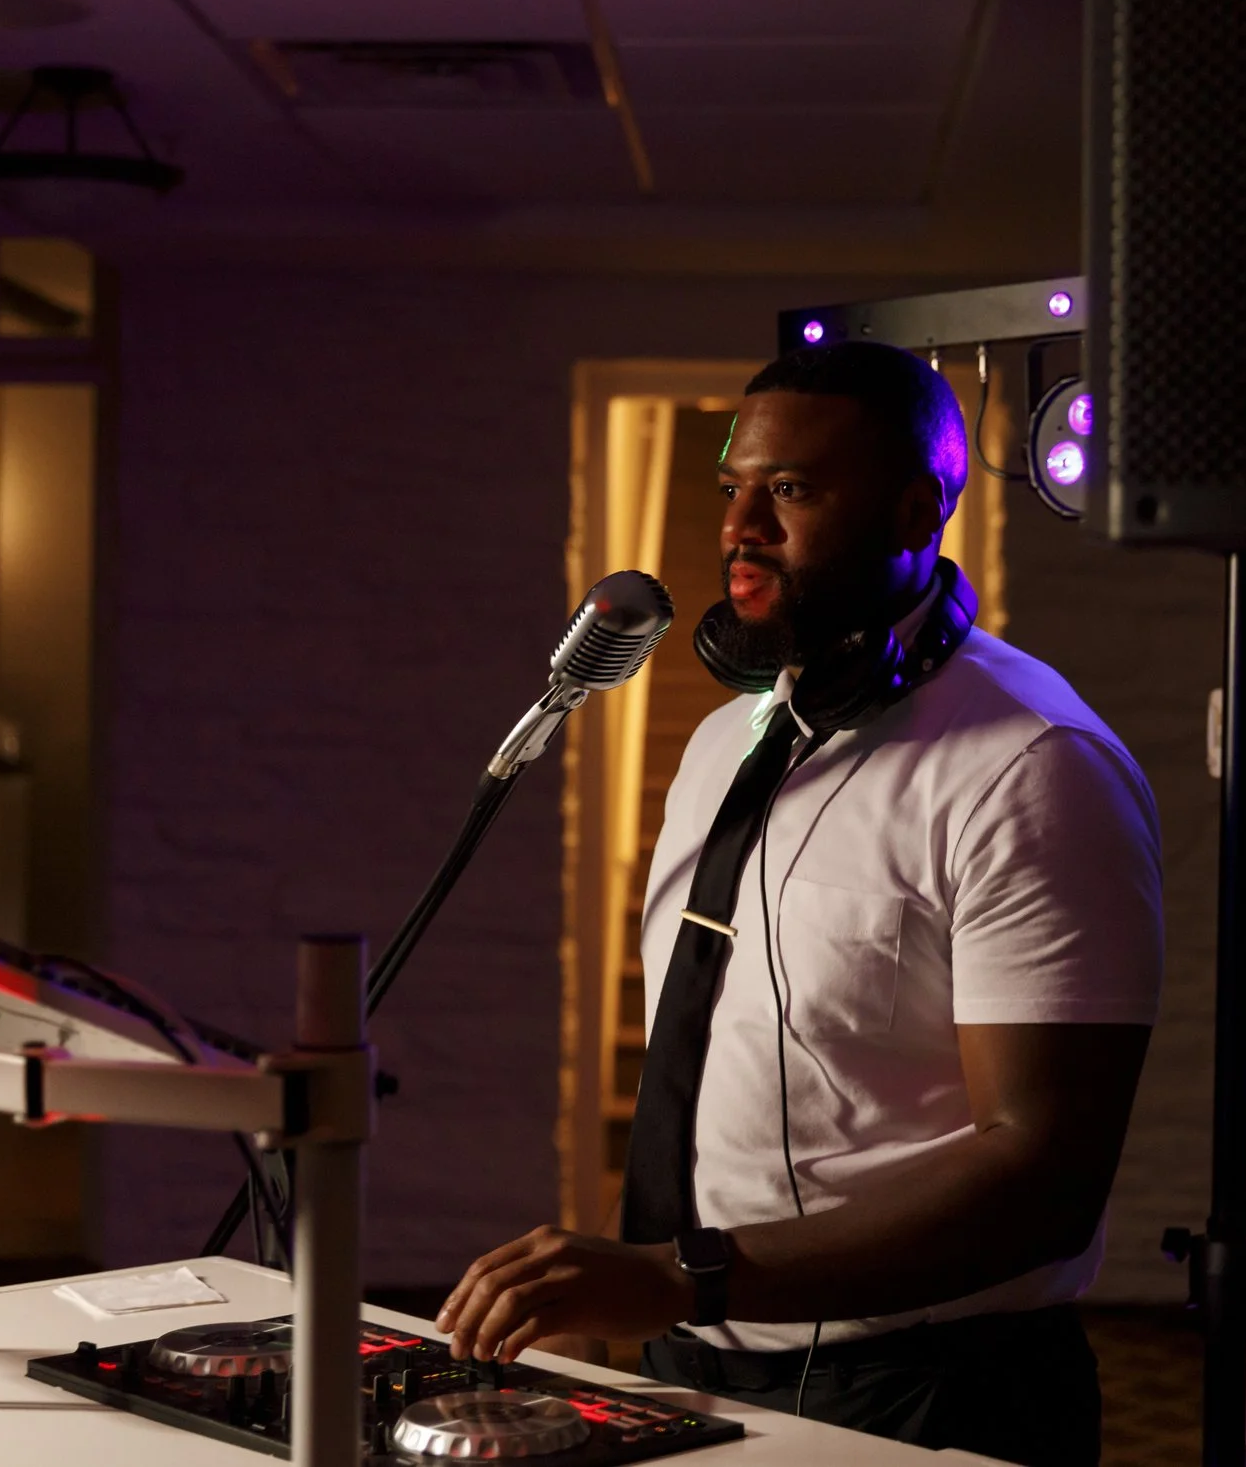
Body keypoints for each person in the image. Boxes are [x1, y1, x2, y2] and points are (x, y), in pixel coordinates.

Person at [436, 339, 1163, 1466]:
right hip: (694, 1354)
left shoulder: (1031, 763)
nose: (740, 527)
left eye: (791, 489)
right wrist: (677, 1297)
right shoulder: (729, 736)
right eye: (733, 488)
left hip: (925, 1389)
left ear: (917, 507)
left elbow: (1042, 1176)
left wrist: (683, 1272)